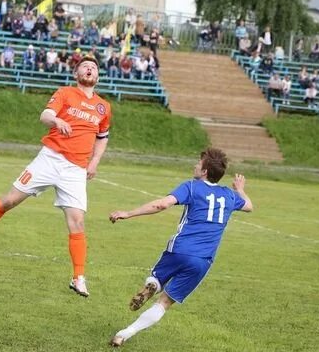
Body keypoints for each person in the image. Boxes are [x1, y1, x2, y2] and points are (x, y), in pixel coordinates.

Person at [0, 56, 112, 298]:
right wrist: (57, 120)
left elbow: (102, 137)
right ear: (76, 74)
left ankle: (78, 277)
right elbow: (45, 115)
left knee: (77, 222)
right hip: (49, 159)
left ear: (98, 76)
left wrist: (95, 161)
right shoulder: (65, 93)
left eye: (93, 67)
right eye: (84, 66)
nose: (89, 69)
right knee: (9, 201)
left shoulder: (104, 107)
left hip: (75, 170)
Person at [108, 148, 253, 347]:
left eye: (198, 163)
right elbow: (249, 206)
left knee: (157, 277)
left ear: (204, 172)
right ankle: (124, 334)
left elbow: (161, 205)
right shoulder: (229, 195)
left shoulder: (192, 187)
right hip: (202, 260)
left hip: (180, 249)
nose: (195, 165)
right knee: (165, 303)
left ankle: (153, 284)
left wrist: (129, 213)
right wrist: (239, 188)